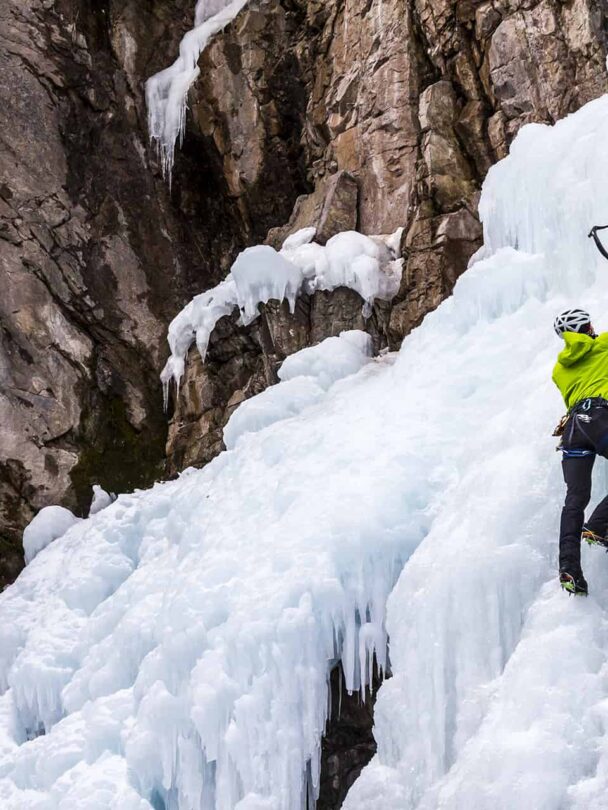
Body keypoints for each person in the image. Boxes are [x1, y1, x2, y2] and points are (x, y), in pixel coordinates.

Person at [552, 309, 608, 595]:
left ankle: (569, 568)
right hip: (600, 418)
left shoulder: (559, 370)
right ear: (588, 327)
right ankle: (598, 525)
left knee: (574, 500)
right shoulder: (604, 344)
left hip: (574, 430)